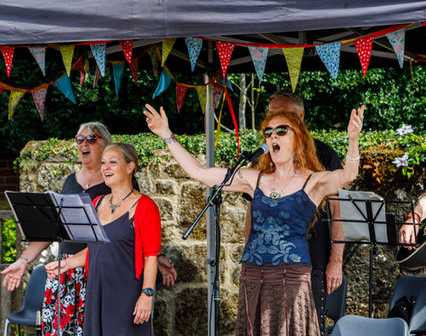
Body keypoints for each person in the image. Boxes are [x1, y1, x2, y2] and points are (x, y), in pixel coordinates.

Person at [143, 103, 364, 335]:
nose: (273, 136)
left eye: (281, 130)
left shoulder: (313, 181)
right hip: (253, 277)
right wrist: (166, 135)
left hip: (291, 280)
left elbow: (348, 176)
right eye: (268, 132)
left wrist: (352, 139)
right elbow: (199, 173)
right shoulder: (254, 178)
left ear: (298, 137)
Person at [1, 123, 176, 336]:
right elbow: (63, 232)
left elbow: (142, 244)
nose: (84, 143)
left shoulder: (137, 199)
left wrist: (150, 283)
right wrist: (31, 261)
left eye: (91, 139)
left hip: (114, 280)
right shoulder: (85, 193)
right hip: (81, 275)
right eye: (79, 139)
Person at [244, 90, 344, 335]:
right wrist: (249, 251)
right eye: (271, 114)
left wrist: (336, 260)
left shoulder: (324, 153)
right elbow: (252, 209)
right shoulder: (264, 155)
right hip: (266, 264)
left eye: (283, 114)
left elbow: (337, 210)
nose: (275, 121)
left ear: (300, 116)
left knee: (307, 326)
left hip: (313, 257)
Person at [46, 143, 161, 335]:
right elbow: (96, 249)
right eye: (103, 163)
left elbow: (151, 256)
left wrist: (146, 294)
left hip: (126, 294)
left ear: (130, 167)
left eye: (113, 162)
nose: (105, 168)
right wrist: (67, 264)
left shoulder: (145, 206)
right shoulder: (97, 202)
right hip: (96, 291)